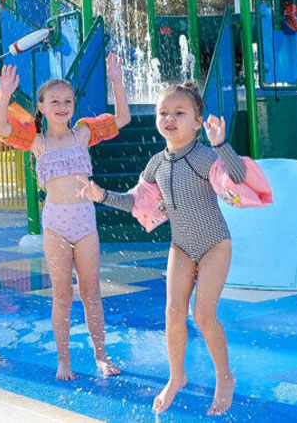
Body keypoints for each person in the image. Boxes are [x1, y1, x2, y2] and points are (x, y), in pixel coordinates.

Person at [87, 82, 243, 416]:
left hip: (215, 243)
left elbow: (238, 177)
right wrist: (101, 195)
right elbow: (137, 203)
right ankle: (176, 376)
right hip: (182, 246)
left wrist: (222, 145)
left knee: (202, 314)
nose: (169, 118)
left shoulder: (204, 156)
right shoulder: (157, 164)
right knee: (172, 312)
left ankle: (225, 377)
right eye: (163, 112)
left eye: (179, 113)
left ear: (198, 121)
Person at [0, 53, 131, 381]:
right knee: (62, 294)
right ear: (40, 106)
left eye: (67, 100)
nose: (62, 106)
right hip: (55, 223)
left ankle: (100, 355)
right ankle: (64, 361)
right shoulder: (36, 141)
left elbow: (122, 118)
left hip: (84, 221)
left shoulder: (82, 133)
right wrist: (5, 95)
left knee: (91, 292)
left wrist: (116, 81)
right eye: (54, 101)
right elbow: (0, 128)